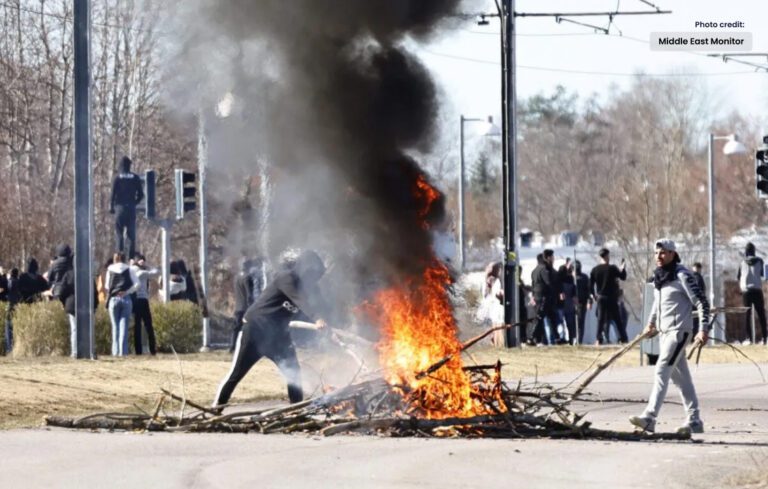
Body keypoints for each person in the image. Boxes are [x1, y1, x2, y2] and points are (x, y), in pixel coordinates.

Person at [213, 250, 329, 408]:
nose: (314, 280)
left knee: (293, 372)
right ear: (305, 269)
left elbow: (314, 308)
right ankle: (217, 407)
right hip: (255, 331)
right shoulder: (286, 278)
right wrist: (317, 318)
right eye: (312, 275)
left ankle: (297, 411)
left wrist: (328, 326)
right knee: (236, 374)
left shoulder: (307, 289)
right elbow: (300, 301)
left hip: (278, 336)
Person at [629, 239, 709, 434]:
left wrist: (703, 329)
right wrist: (650, 324)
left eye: (663, 252)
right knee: (681, 379)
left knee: (661, 369)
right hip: (664, 333)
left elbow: (702, 302)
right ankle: (695, 420)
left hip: (679, 332)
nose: (658, 256)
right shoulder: (659, 278)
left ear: (673, 253)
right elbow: (657, 306)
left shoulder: (682, 275)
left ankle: (650, 417)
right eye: (656, 253)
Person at [589, 248, 628, 344]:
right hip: (611, 297)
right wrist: (622, 268)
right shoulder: (612, 268)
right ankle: (623, 339)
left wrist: (593, 295)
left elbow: (590, 285)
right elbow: (623, 277)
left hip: (601, 297)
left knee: (600, 320)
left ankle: (599, 339)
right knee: (617, 319)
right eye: (608, 256)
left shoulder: (595, 270)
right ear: (606, 256)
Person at [110, 155, 144, 259]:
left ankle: (119, 256)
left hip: (119, 208)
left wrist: (112, 207)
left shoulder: (117, 177)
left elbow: (112, 194)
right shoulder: (135, 177)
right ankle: (130, 258)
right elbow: (141, 195)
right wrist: (134, 203)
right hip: (131, 208)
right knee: (131, 235)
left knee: (119, 233)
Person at [105, 252, 139, 356]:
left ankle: (115, 352)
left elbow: (107, 286)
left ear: (115, 259)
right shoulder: (130, 269)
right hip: (126, 298)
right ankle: (123, 352)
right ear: (124, 259)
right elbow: (137, 284)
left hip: (114, 299)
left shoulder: (110, 269)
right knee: (123, 327)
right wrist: (127, 291)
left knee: (115, 327)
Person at [737, 242, 767, 345]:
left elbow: (738, 276)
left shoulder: (742, 262)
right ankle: (765, 338)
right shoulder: (759, 261)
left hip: (746, 292)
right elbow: (763, 275)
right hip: (757, 290)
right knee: (761, 315)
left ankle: (748, 339)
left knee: (747, 315)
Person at [131, 253, 159, 355]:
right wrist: (147, 266)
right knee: (148, 325)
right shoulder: (141, 272)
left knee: (137, 326)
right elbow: (156, 272)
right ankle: (152, 349)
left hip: (134, 300)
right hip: (142, 300)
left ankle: (138, 350)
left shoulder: (130, 270)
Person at [531, 249, 560, 346]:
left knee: (551, 318)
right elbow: (549, 283)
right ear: (548, 258)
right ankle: (532, 337)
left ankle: (556, 338)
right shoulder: (544, 269)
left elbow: (533, 285)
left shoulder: (535, 270)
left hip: (537, 296)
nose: (553, 259)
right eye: (552, 257)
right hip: (544, 297)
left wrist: (533, 295)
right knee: (540, 318)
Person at [476, 262, 505, 347]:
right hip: (492, 309)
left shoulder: (498, 281)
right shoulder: (490, 281)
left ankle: (498, 343)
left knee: (498, 325)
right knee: (495, 325)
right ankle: (496, 343)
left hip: (496, 310)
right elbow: (485, 294)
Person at [231, 258, 256, 353]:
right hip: (246, 308)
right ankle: (248, 348)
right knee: (249, 329)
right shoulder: (247, 277)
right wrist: (252, 306)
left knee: (236, 328)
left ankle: (233, 347)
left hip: (238, 307)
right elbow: (249, 294)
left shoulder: (236, 277)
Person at [557, 264, 577, 344]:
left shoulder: (558, 280)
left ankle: (562, 338)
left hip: (560, 304)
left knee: (560, 322)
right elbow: (574, 292)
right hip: (569, 303)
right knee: (570, 323)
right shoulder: (571, 279)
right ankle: (571, 339)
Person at [573, 260, 592, 345]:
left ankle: (579, 340)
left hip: (582, 303)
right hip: (571, 304)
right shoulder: (570, 277)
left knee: (580, 322)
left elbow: (589, 290)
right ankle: (573, 339)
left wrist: (589, 301)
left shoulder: (584, 277)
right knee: (572, 323)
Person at [4, 268, 20, 354]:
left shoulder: (11, 282)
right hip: (18, 305)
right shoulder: (19, 282)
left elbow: (8, 289)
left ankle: (9, 348)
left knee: (8, 327)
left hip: (10, 305)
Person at [691, 262, 706, 340]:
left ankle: (692, 337)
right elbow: (700, 291)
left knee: (693, 320)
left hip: (691, 302)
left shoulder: (689, 277)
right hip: (697, 302)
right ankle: (694, 337)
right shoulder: (698, 277)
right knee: (696, 320)